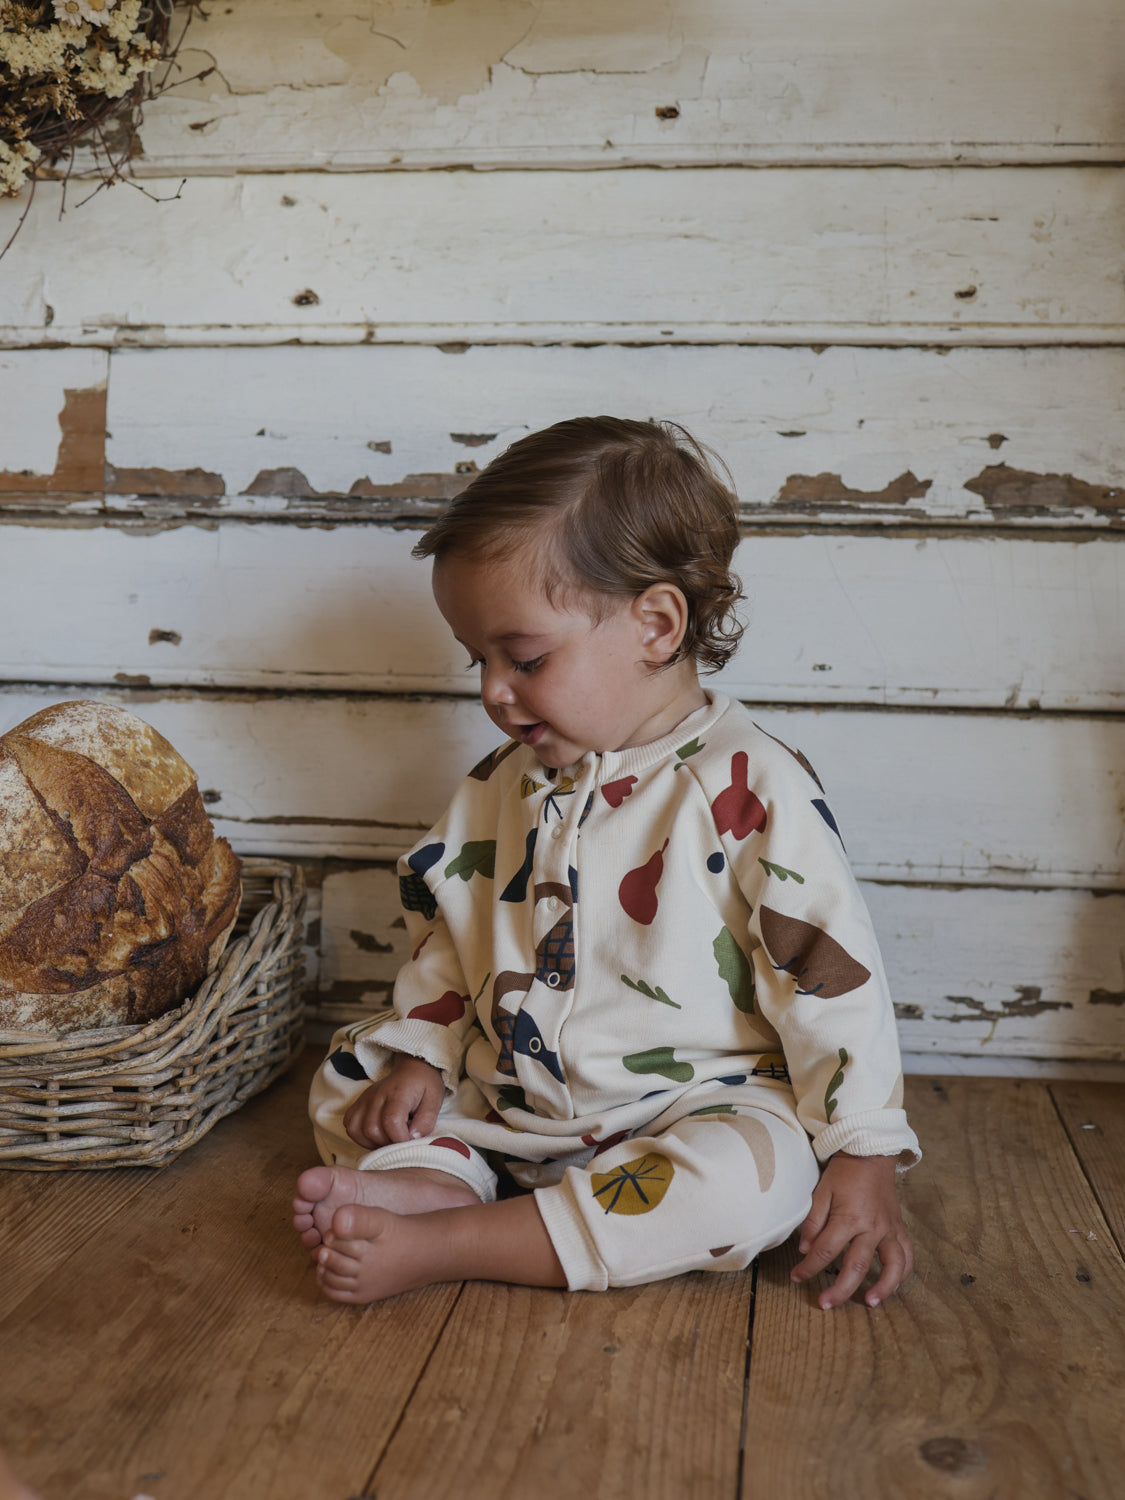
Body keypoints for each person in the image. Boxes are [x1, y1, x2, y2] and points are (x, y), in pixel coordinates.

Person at [293, 416, 920, 1309]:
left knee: (755, 1181)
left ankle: (454, 1240)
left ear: (655, 624)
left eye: (525, 657)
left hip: (688, 1110)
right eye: (479, 660)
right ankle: (442, 1173)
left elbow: (827, 975)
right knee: (351, 1081)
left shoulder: (745, 786)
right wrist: (422, 1058)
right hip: (511, 1103)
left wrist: (863, 1153)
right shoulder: (495, 789)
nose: (491, 692)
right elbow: (451, 944)